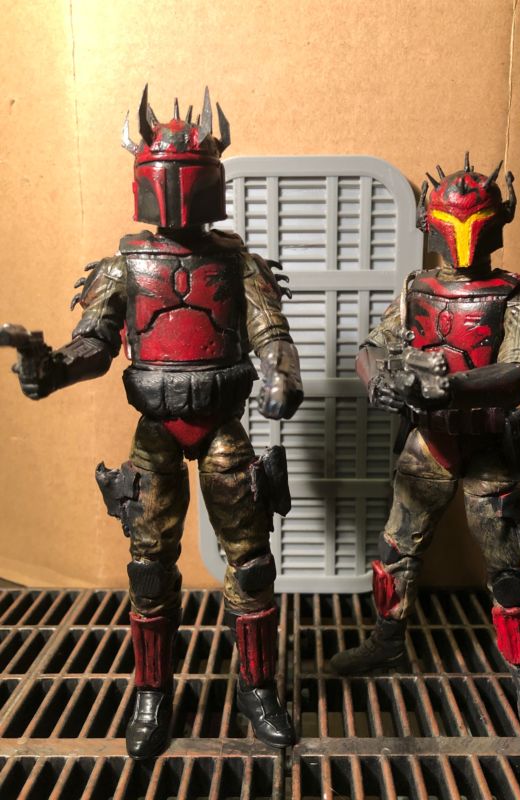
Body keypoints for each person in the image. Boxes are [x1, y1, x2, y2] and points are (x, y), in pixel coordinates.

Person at [4, 87, 303, 758]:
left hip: (223, 425)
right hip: (156, 430)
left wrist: (283, 377)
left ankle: (256, 688)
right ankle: (151, 691)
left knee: (252, 565)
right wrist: (50, 368)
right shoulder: (125, 267)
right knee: (148, 570)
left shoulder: (236, 263)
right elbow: (94, 343)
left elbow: (271, 334)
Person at [330, 155, 520, 765]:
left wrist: (451, 388)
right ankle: (388, 640)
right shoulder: (418, 291)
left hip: (488, 447)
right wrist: (379, 380)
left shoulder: (515, 296)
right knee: (394, 552)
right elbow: (371, 347)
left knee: (508, 574)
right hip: (428, 444)